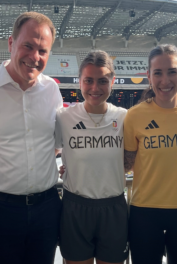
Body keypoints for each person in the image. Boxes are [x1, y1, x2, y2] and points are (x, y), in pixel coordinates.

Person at [0, 12, 62, 264]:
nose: (35, 57)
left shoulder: (52, 89)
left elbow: (56, 143)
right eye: (28, 45)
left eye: (43, 50)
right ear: (11, 43)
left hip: (47, 206)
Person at [123, 44, 177, 264]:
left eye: (172, 71)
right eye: (157, 73)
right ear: (149, 76)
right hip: (145, 212)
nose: (165, 80)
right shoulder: (134, 116)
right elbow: (126, 164)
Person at [55, 50, 128, 264]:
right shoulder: (64, 117)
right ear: (80, 81)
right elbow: (51, 151)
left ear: (112, 82)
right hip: (75, 208)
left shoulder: (124, 117)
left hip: (113, 208)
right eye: (88, 80)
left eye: (102, 81)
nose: (95, 88)